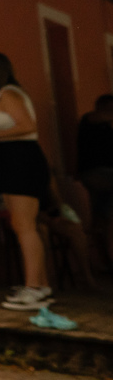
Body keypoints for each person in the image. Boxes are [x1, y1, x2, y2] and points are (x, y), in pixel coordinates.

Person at [0, 52, 54, 311]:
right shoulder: (0, 96)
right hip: (8, 160)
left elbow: (28, 126)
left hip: (20, 160)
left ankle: (34, 287)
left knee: (25, 224)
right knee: (21, 223)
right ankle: (38, 284)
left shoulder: (8, 94)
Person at [77, 94, 113, 267]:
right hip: (95, 174)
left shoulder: (105, 126)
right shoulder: (90, 120)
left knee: (103, 217)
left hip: (103, 176)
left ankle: (104, 260)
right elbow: (98, 117)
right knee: (103, 216)